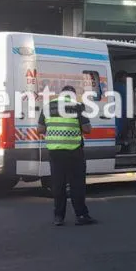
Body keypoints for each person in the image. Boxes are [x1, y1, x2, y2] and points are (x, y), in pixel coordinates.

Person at [37, 86, 98, 227]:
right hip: (74, 151)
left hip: (55, 152)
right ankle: (81, 215)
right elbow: (87, 129)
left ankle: (58, 217)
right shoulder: (77, 106)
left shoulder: (48, 107)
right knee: (77, 185)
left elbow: (40, 129)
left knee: (58, 184)